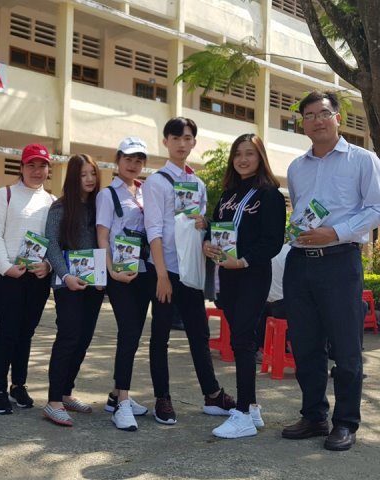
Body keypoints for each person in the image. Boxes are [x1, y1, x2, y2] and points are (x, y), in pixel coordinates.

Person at [281, 91, 380, 451]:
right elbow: (301, 211)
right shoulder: (297, 167)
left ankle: (346, 422)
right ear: (303, 124)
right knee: (305, 345)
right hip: (299, 263)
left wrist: (335, 232)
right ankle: (314, 416)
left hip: (339, 261)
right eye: (308, 115)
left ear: (337, 117)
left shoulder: (362, 160)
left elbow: (376, 208)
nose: (317, 120)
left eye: (323, 113)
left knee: (346, 347)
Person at [143, 117, 236, 425]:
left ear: (194, 142)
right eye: (175, 138)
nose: (182, 144)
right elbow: (153, 230)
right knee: (160, 336)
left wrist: (204, 224)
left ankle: (212, 394)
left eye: (187, 138)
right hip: (165, 270)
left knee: (199, 333)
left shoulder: (197, 184)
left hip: (191, 271)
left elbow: (200, 227)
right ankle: (162, 398)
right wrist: (161, 276)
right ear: (166, 142)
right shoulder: (156, 183)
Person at [203, 134, 286, 438]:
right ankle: (251, 406)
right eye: (237, 154)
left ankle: (242, 415)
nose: (242, 159)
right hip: (228, 276)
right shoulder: (228, 194)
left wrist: (243, 262)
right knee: (243, 338)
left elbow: (273, 241)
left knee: (241, 339)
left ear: (260, 157)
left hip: (252, 274)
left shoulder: (271, 195)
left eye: (249, 153)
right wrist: (207, 244)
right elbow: (216, 228)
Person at [0, 144, 54, 414]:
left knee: (26, 333)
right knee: (7, 332)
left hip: (38, 278)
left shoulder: (52, 201)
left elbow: (55, 241)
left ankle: (18, 385)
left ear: (48, 169)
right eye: (31, 165)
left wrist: (48, 265)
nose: (37, 171)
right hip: (10, 277)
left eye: (42, 166)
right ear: (22, 167)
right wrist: (5, 266)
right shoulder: (6, 194)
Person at [43, 154, 103, 427]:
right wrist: (65, 275)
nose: (89, 179)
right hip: (67, 284)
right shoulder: (60, 207)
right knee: (68, 337)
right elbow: (51, 244)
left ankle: (66, 393)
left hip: (94, 284)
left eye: (93, 173)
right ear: (73, 178)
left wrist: (103, 275)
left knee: (84, 338)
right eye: (83, 174)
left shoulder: (98, 206)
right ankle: (53, 401)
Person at [96, 137, 151, 431]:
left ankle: (115, 394)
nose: (133, 164)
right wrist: (111, 272)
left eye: (139, 160)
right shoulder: (107, 195)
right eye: (128, 159)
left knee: (133, 335)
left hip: (142, 270)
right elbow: (102, 237)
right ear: (118, 160)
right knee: (129, 332)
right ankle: (123, 404)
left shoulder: (145, 192)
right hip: (119, 273)